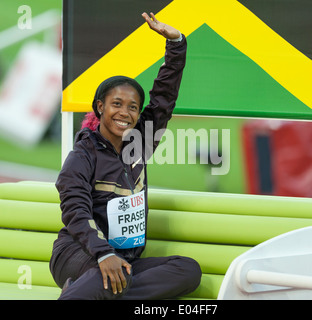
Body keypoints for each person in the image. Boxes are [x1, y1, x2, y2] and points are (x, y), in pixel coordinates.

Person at [49, 12, 202, 300]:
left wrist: (177, 44)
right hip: (77, 254)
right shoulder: (82, 155)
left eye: (133, 107)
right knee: (104, 276)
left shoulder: (140, 144)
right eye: (116, 104)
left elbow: (163, 98)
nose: (125, 113)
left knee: (187, 270)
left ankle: (96, 292)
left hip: (124, 260)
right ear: (99, 107)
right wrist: (103, 253)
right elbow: (75, 211)